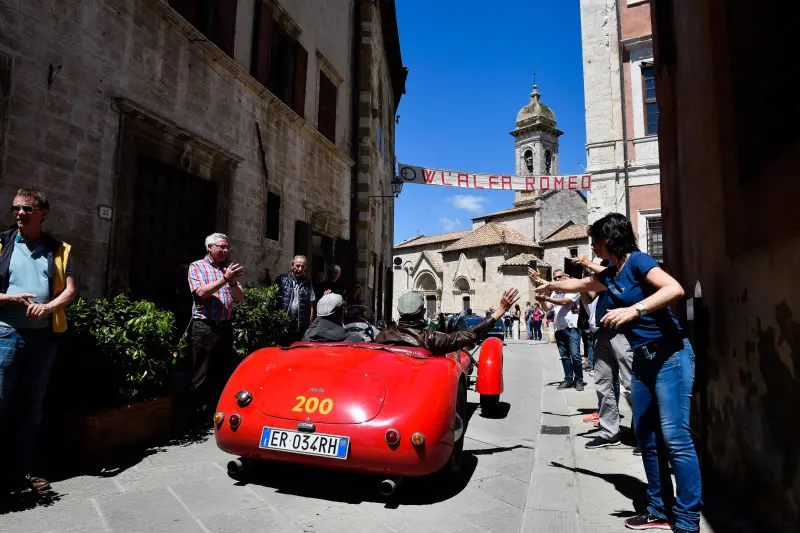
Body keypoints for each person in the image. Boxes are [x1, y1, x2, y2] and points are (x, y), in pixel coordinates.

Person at [530, 212, 701, 533]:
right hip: (643, 360)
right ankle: (658, 509)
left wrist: (634, 309)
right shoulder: (611, 273)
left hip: (670, 355)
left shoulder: (638, 261)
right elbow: (579, 283)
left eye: (595, 239)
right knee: (647, 437)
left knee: (676, 439)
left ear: (608, 240)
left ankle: (689, 519)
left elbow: (674, 289)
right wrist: (547, 283)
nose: (592, 246)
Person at [0, 188, 77, 494]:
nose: (19, 214)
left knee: (31, 407)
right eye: (16, 209)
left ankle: (21, 471)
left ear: (43, 213)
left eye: (26, 209)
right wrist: (8, 298)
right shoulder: (3, 243)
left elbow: (70, 289)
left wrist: (49, 307)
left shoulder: (58, 249)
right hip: (5, 334)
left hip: (44, 338)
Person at [187, 232, 245, 419]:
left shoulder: (227, 269)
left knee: (223, 370)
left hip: (225, 326)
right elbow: (202, 292)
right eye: (221, 246)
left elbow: (240, 297)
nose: (225, 250)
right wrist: (225, 280)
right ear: (209, 247)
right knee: (202, 372)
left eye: (227, 247)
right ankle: (197, 414)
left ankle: (217, 411)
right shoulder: (197, 266)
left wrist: (233, 282)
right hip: (205, 326)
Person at [376, 288, 519, 356]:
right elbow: (471, 334)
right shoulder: (431, 338)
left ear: (400, 312)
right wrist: (500, 310)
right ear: (423, 312)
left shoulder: (382, 336)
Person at [536, 269, 584, 391]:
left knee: (576, 355)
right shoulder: (555, 293)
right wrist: (542, 301)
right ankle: (568, 379)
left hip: (572, 327)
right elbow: (547, 309)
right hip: (559, 328)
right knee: (564, 356)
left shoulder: (573, 289)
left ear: (565, 276)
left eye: (559, 277)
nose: (557, 280)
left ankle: (579, 380)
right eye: (555, 278)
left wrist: (546, 298)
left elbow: (564, 302)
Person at [276, 256, 317, 344]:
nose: (300, 269)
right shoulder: (282, 279)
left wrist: (310, 325)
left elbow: (311, 306)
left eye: (303, 267)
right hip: (283, 326)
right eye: (298, 266)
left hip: (300, 327)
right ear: (292, 265)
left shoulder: (308, 284)